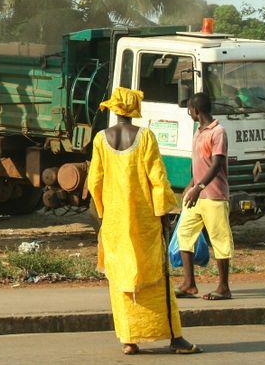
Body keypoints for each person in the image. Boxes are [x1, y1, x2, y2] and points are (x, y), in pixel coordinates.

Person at [88, 87, 200, 356]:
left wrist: (104, 215)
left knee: (120, 280)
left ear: (115, 109)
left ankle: (129, 340)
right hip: (145, 220)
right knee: (156, 278)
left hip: (115, 223)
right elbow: (158, 179)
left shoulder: (101, 140)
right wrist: (164, 217)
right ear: (134, 109)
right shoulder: (145, 136)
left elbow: (95, 181)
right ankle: (175, 338)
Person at [176, 91, 234, 301]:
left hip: (214, 195)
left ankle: (224, 287)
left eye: (190, 110)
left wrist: (199, 186)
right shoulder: (199, 132)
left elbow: (217, 163)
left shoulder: (218, 132)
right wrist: (190, 186)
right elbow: (198, 164)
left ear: (195, 110)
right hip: (197, 196)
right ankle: (189, 283)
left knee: (220, 239)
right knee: (184, 234)